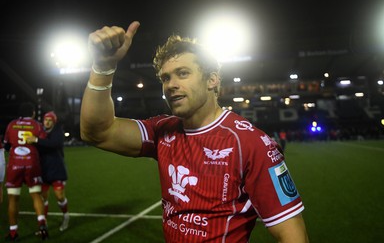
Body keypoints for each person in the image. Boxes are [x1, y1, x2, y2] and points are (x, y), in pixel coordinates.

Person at [80, 21, 309, 242]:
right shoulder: (161, 130)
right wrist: (103, 66)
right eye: (165, 78)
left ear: (212, 80)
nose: (171, 84)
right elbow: (97, 132)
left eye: (182, 73)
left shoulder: (251, 143)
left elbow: (292, 235)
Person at [3, 102, 49, 241]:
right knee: (36, 195)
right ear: (33, 113)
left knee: (13, 198)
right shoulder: (37, 125)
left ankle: (13, 232)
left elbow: (6, 145)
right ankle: (42, 226)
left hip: (15, 164)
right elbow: (43, 143)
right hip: (32, 163)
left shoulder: (11, 124)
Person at [26, 111, 70, 232]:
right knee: (43, 198)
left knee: (59, 196)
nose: (47, 122)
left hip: (56, 168)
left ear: (54, 122)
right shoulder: (40, 131)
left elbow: (54, 144)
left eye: (50, 120)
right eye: (46, 120)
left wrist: (36, 140)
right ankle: (43, 225)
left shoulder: (58, 132)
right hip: (43, 169)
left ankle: (66, 216)